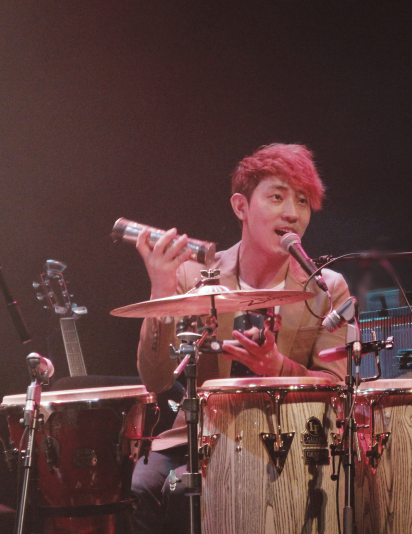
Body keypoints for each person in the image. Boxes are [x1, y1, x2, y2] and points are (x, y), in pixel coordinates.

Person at [130, 143, 350, 533]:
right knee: (139, 487)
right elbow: (156, 379)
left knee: (189, 492)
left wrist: (277, 368)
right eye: (277, 197)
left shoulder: (326, 288)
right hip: (198, 435)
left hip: (283, 439)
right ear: (241, 206)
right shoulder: (195, 277)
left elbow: (337, 384)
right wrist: (160, 289)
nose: (292, 213)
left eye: (302, 201)